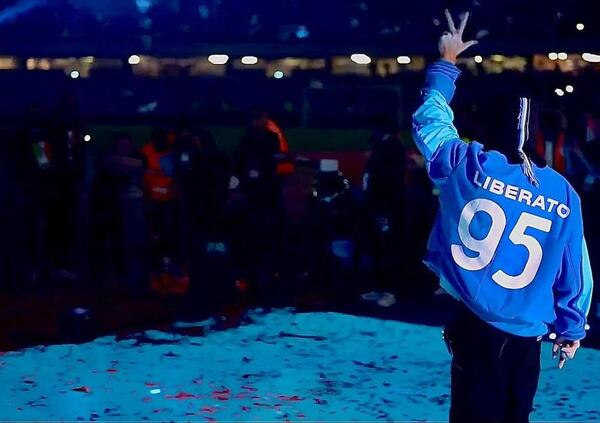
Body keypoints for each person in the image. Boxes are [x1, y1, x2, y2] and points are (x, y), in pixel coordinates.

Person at [412, 11, 593, 423]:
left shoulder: (468, 163)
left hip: (476, 326)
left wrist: (447, 63)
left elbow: (430, 121)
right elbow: (577, 269)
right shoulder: (561, 191)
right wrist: (571, 327)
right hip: (527, 336)